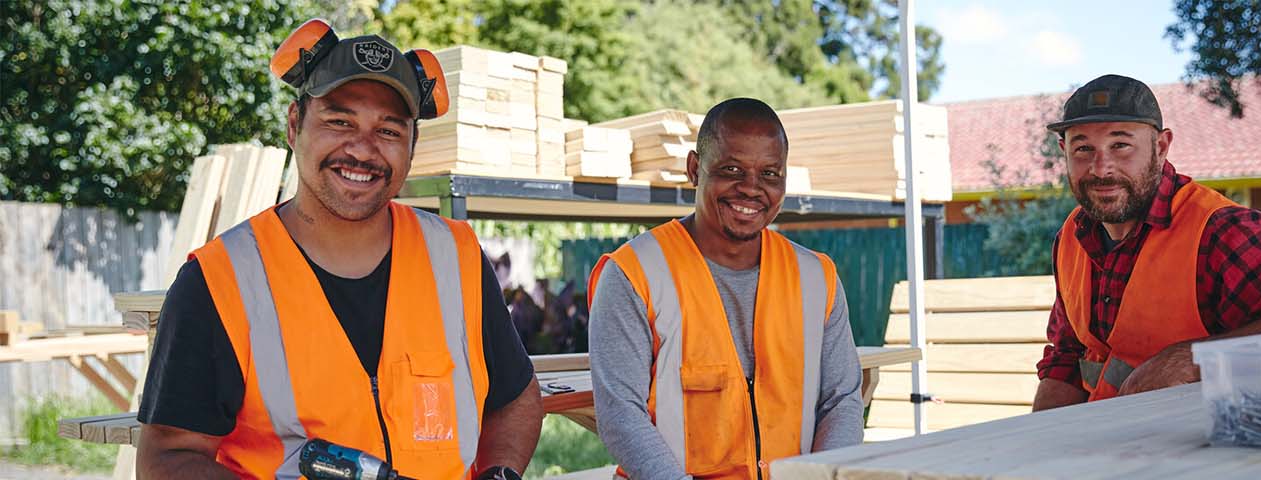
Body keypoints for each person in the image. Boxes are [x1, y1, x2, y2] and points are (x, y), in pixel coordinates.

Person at [136, 19, 540, 479]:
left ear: (412, 145)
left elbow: (516, 398)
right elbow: (166, 459)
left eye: (388, 131)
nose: (363, 150)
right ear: (294, 125)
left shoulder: (457, 256)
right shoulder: (220, 281)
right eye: (339, 121)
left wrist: (500, 473)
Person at [1032, 74, 1261, 411]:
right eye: (1083, 149)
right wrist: (1036, 435)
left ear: (1161, 147)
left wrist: (1195, 359)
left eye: (1121, 145)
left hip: (1208, 433)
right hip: (1106, 430)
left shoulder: (1223, 232)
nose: (1101, 169)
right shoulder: (1072, 236)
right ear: (1064, 152)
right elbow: (1068, 355)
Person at [588, 98, 863, 479]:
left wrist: (823, 476)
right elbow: (621, 415)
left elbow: (842, 401)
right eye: (732, 169)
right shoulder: (633, 273)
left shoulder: (817, 278)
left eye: (770, 174)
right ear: (694, 169)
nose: (751, 189)